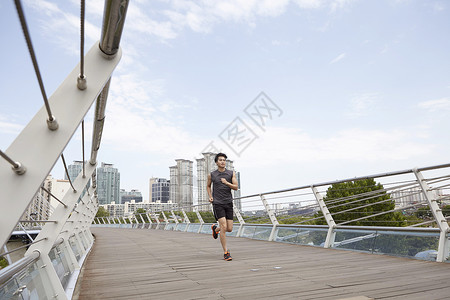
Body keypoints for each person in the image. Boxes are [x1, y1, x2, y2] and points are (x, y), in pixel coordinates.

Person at [207, 153, 238, 261]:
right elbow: (208, 186)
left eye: (224, 160)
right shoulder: (212, 174)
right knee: (224, 227)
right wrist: (210, 197)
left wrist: (226, 183)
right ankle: (226, 252)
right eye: (220, 160)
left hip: (228, 203)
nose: (222, 161)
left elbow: (236, 187)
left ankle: (216, 229)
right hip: (218, 203)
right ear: (216, 162)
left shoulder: (231, 173)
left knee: (229, 228)